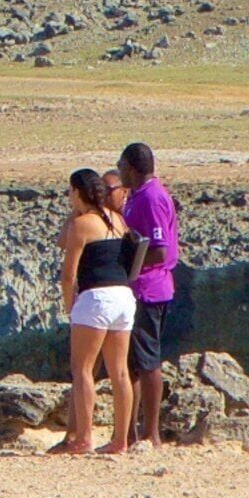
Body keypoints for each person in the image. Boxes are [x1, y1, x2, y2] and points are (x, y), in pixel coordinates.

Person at [59, 166, 138, 455]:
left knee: (82, 369)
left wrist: (71, 306)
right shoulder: (117, 220)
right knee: (119, 371)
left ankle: (84, 437)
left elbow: (69, 275)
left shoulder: (81, 226)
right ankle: (120, 440)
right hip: (124, 296)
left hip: (96, 297)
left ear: (77, 192)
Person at [116, 141, 181, 445]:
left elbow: (158, 249)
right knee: (130, 363)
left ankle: (151, 432)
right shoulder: (136, 196)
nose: (118, 173)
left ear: (131, 167)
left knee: (148, 360)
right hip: (136, 288)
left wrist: (129, 265)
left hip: (149, 288)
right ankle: (128, 433)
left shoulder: (151, 198)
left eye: (120, 167)